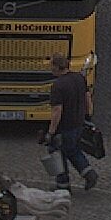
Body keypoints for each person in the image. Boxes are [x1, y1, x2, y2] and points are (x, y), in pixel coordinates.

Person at [39, 52, 98, 191]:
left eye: (51, 65)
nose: (50, 68)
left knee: (57, 154)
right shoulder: (79, 78)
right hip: (78, 123)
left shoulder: (58, 86)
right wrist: (88, 116)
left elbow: (57, 110)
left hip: (64, 127)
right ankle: (89, 173)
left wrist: (50, 132)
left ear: (56, 67)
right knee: (73, 150)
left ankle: (63, 186)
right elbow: (87, 98)